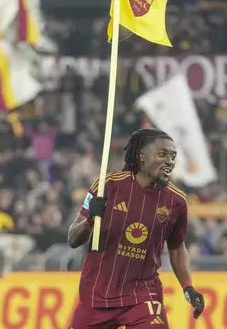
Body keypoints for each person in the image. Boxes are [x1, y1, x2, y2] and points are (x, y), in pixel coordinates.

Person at [68, 129, 205, 329]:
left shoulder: (176, 201)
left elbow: (176, 247)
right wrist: (90, 219)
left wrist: (188, 287)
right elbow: (73, 238)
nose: (169, 161)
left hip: (142, 295)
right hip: (97, 296)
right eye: (162, 154)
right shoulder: (107, 186)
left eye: (173, 156)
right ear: (142, 156)